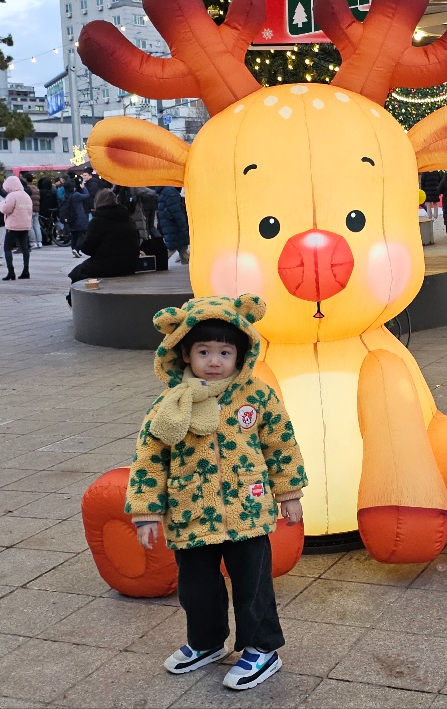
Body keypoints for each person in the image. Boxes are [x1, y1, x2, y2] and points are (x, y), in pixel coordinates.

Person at [127, 294, 306, 690]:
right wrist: (145, 511)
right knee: (197, 586)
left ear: (240, 355)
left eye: (225, 351)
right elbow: (149, 458)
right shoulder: (169, 404)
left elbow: (281, 442)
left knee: (253, 584)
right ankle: (205, 641)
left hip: (248, 508)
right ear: (184, 354)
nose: (214, 360)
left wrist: (288, 492)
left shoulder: (257, 395)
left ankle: (262, 648)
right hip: (190, 511)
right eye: (203, 351)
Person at [67, 189, 140, 303]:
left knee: (77, 273)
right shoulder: (128, 219)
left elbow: (87, 249)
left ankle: (74, 303)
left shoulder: (97, 221)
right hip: (130, 265)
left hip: (106, 266)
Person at [0, 175, 33, 280]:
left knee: (7, 248)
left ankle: (11, 272)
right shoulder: (26, 195)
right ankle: (26, 271)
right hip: (25, 225)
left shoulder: (12, 196)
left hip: (13, 226)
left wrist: (1, 203)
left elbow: (6, 210)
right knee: (25, 248)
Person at [154, 185, 189, 263]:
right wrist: (183, 225)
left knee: (182, 249)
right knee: (173, 248)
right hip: (175, 227)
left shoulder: (163, 191)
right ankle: (158, 263)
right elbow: (176, 211)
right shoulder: (171, 191)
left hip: (168, 225)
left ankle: (186, 266)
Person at [66, 176, 90, 257]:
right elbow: (87, 195)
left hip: (71, 218)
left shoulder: (67, 195)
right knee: (82, 234)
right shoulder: (76, 195)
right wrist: (83, 187)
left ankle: (74, 249)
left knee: (74, 235)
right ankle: (76, 249)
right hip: (79, 217)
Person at [22, 173, 42, 249]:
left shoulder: (26, 188)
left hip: (29, 209)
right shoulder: (36, 188)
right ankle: (39, 242)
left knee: (30, 226)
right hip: (37, 208)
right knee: (37, 225)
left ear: (26, 179)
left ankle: (33, 242)